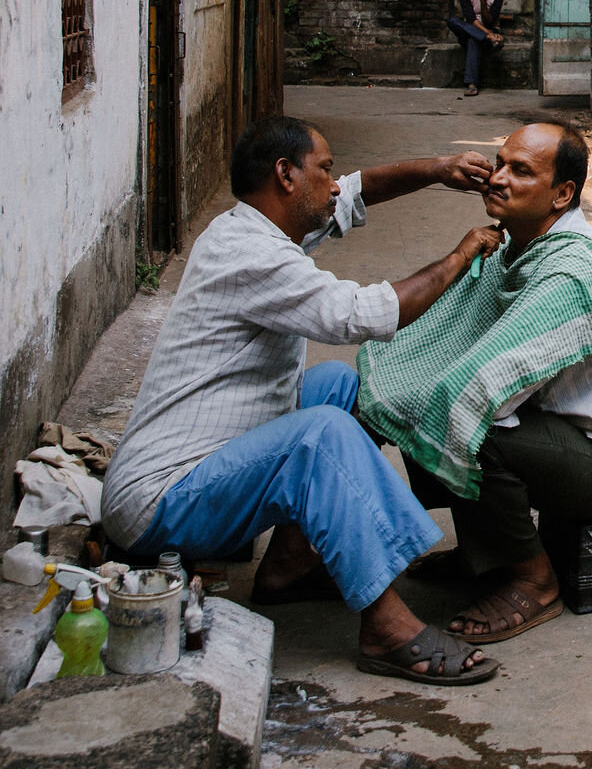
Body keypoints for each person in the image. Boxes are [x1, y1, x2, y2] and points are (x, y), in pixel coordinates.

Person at [100, 116, 506, 686]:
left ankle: (288, 571)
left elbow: (359, 191)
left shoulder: (254, 227)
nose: (335, 184)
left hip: (206, 453)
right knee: (323, 433)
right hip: (159, 501)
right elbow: (369, 314)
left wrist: (439, 170)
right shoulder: (254, 257)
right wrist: (460, 255)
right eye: (325, 170)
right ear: (285, 176)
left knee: (337, 389)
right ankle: (387, 628)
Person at [364, 122, 592, 643]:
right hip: (561, 432)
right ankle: (482, 555)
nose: (498, 178)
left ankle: (534, 582)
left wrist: (430, 401)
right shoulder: (517, 243)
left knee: (467, 417)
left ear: (562, 194)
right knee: (430, 394)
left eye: (522, 171)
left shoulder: (571, 270)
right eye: (501, 163)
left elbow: (485, 385)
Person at [448, 0, 506, 97]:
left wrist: (483, 1)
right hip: (477, 32)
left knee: (473, 39)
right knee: (453, 21)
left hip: (482, 35)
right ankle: (486, 37)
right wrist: (489, 35)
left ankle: (471, 85)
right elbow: (471, 20)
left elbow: (489, 22)